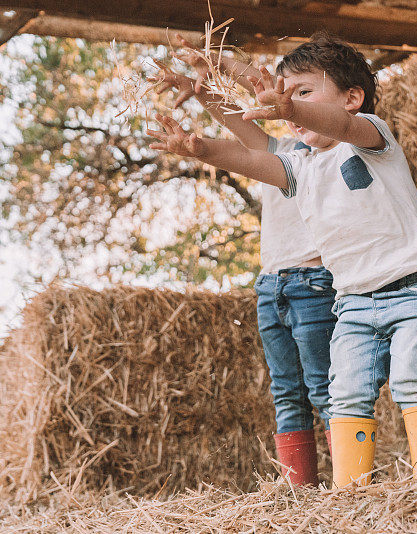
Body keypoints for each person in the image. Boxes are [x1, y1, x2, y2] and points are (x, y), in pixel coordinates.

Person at [146, 33, 417, 488]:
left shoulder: (371, 136)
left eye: (302, 92)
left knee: (413, 383)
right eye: (286, 95)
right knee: (345, 395)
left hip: (414, 288)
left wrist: (288, 108)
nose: (288, 105)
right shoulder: (300, 165)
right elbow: (248, 158)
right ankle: (350, 496)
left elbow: (343, 127)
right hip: (351, 303)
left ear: (353, 98)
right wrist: (199, 148)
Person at [154, 36, 336, 485]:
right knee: (287, 392)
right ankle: (302, 495)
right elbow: (242, 122)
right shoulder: (283, 152)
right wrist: (201, 85)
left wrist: (216, 62)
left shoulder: (335, 153)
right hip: (271, 288)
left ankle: (351, 488)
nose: (287, 105)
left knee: (325, 387)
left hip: (315, 283)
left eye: (301, 95)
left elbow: (258, 89)